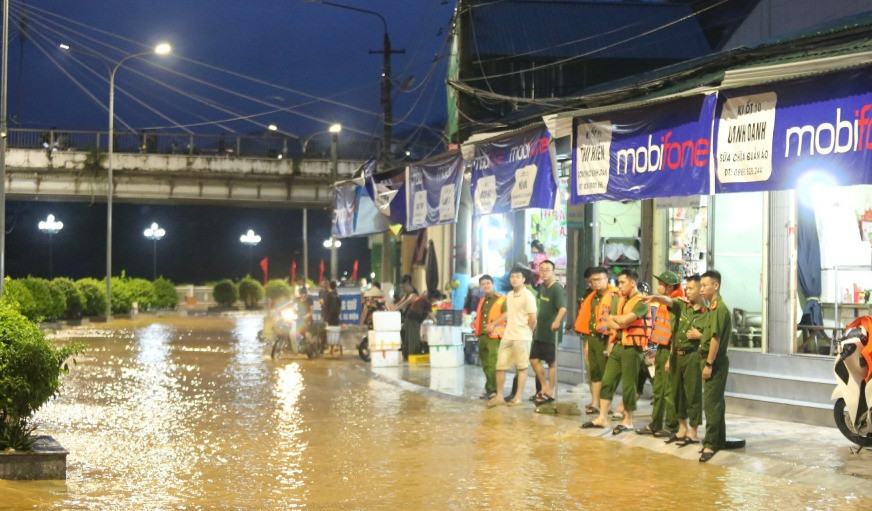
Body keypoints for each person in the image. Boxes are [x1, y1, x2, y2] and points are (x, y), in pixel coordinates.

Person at [581, 269, 649, 434]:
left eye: (622, 282)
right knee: (607, 381)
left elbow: (624, 321)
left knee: (629, 384)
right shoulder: (620, 300)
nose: (619, 286)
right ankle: (602, 417)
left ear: (632, 283)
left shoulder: (641, 301)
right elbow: (609, 322)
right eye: (619, 282)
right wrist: (619, 322)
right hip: (617, 345)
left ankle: (628, 420)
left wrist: (618, 321)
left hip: (632, 348)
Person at [636, 271, 683, 437]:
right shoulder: (664, 303)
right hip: (661, 349)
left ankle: (671, 426)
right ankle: (655, 424)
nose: (658, 286)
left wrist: (670, 357)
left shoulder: (677, 302)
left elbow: (676, 333)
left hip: (671, 350)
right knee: (658, 389)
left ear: (670, 286)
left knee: (669, 391)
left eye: (661, 284)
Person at [487, 267, 537, 408]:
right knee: (500, 366)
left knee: (521, 367)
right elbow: (508, 313)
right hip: (508, 335)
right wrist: (495, 323)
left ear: (523, 279)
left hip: (522, 336)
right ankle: (499, 396)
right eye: (512, 276)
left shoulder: (527, 295)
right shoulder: (509, 295)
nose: (514, 279)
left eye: (517, 276)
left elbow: (533, 318)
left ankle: (518, 398)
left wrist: (528, 332)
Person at [574, 266, 618, 415]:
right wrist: (587, 342)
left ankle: (607, 406)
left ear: (607, 279)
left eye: (599, 279)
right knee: (594, 373)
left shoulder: (613, 296)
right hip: (592, 337)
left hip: (604, 339)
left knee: (606, 374)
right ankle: (595, 403)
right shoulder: (593, 296)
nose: (596, 283)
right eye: (593, 280)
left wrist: (610, 344)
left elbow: (613, 322)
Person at [698, 270, 732, 463]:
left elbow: (715, 339)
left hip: (715, 362)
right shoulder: (712, 308)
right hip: (711, 361)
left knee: (711, 403)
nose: (701, 289)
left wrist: (709, 364)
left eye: (704, 285)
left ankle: (710, 444)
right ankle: (719, 440)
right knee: (716, 402)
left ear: (715, 286)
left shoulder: (719, 309)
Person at [529, 260, 566, 405]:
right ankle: (544, 387)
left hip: (552, 333)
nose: (544, 272)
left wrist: (557, 322)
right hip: (540, 331)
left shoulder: (556, 287)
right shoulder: (542, 287)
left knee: (551, 363)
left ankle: (550, 391)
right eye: (542, 269)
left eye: (547, 269)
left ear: (553, 271)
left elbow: (562, 308)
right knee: (533, 359)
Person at [473, 275, 506, 400]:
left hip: (495, 336)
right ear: (481, 287)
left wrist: (493, 324)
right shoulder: (482, 300)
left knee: (493, 363)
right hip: (483, 335)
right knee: (485, 364)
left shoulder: (501, 299)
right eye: (483, 284)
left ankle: (496, 391)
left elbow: (507, 314)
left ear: (493, 284)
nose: (486, 286)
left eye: (488, 283)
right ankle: (489, 389)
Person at [402, 290, 435, 359]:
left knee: (408, 338)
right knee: (414, 338)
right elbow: (430, 315)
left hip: (409, 317)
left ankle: (406, 355)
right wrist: (436, 322)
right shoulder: (426, 302)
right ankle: (413, 355)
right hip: (414, 320)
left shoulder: (422, 299)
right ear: (433, 298)